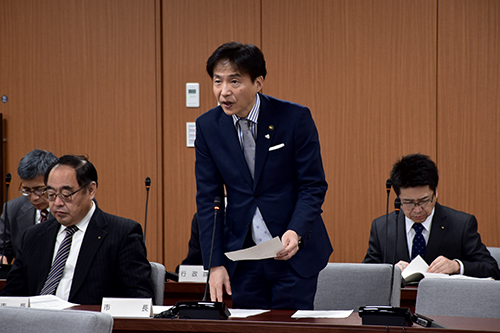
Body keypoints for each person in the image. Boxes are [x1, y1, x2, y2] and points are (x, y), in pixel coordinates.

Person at [195, 42, 332, 309]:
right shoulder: (208, 126)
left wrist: (296, 230)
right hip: (244, 258)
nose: (224, 92)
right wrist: (214, 263)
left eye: (234, 81)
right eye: (217, 82)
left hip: (293, 255)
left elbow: (312, 185)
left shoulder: (294, 118)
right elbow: (208, 199)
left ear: (258, 82)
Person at [0, 155, 153, 304]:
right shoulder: (33, 236)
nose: (57, 203)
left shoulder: (122, 233)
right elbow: (11, 297)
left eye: (66, 194)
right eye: (51, 194)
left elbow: (139, 300)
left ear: (91, 190)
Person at [363, 153, 500, 280]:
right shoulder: (382, 227)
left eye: (423, 201)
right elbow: (365, 275)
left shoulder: (461, 224)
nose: (417, 210)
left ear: (435, 193)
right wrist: (389, 272)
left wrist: (456, 266)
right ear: (398, 199)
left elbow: (491, 269)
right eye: (409, 203)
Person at [0, 149, 57, 264]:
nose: (34, 197)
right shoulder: (12, 209)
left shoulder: (70, 209)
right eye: (27, 190)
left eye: (40, 190)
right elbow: (2, 250)